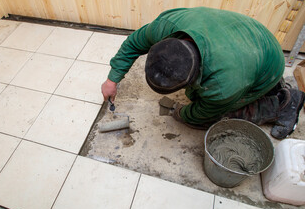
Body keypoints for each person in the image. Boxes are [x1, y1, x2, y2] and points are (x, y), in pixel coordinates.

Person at [101, 7, 305, 139]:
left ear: (195, 76)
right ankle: (268, 86)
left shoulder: (223, 84)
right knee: (200, 96)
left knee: (215, 116)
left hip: (268, 58)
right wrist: (113, 78)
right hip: (245, 38)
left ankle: (284, 103)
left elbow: (202, 113)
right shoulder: (165, 27)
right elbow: (134, 43)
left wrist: (181, 113)